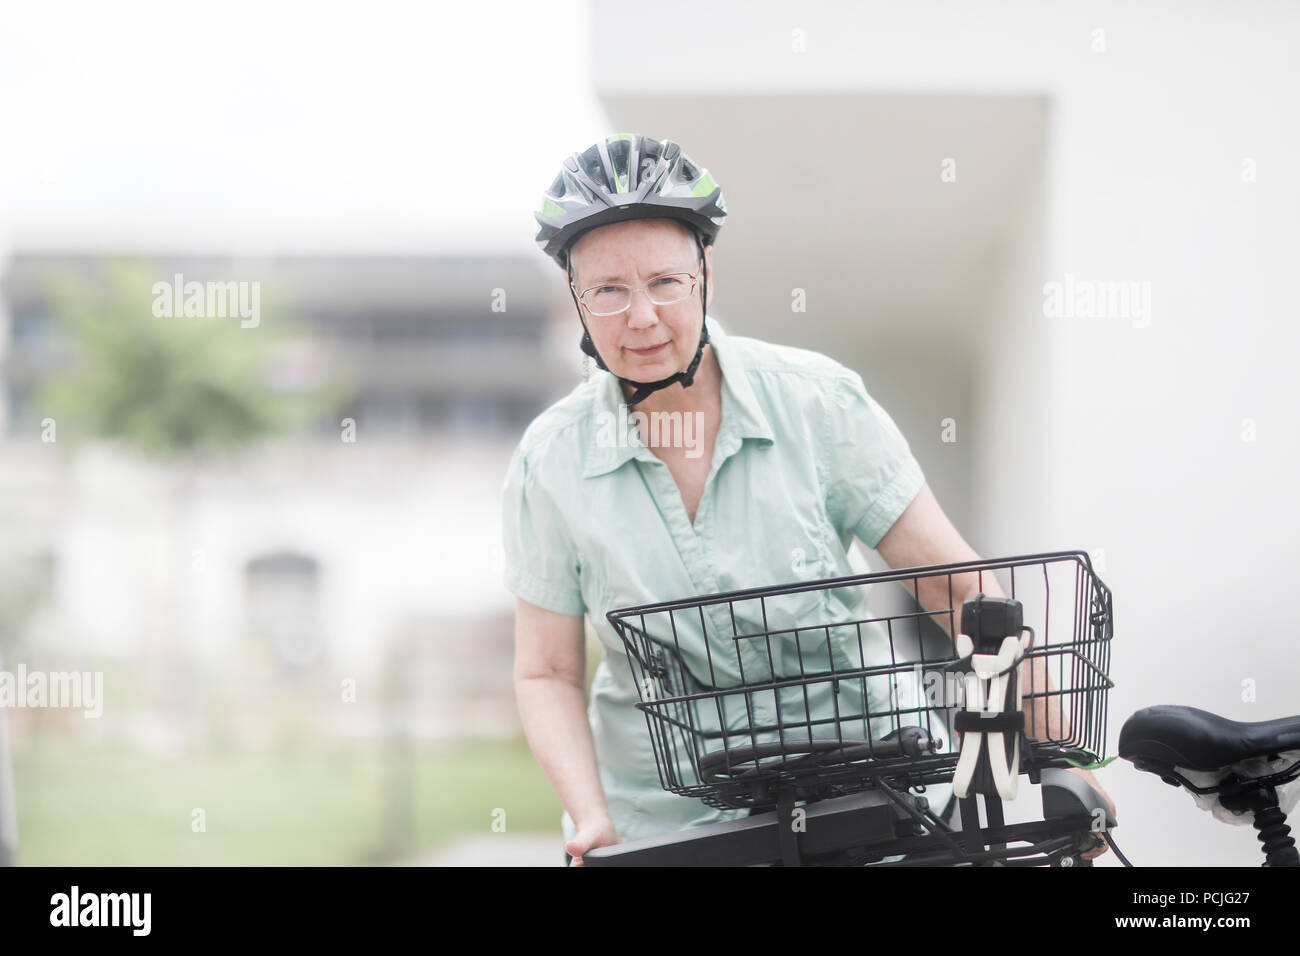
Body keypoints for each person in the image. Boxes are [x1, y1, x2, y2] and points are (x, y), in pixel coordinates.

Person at [504, 133, 1116, 866]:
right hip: (676, 821)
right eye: (608, 290)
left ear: (705, 272)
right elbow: (547, 671)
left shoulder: (817, 404)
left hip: (868, 784)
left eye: (665, 282)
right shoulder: (551, 461)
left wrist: (1056, 761)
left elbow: (954, 585)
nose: (641, 318)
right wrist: (590, 817)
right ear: (576, 297)